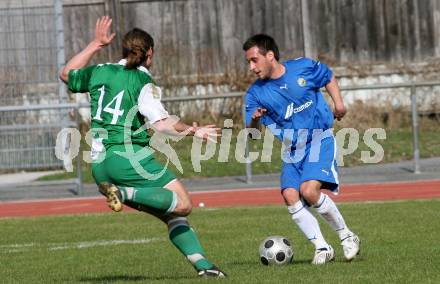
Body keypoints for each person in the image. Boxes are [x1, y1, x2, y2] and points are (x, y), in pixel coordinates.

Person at [59, 16, 225, 278]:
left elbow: (66, 74)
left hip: (100, 166)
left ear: (123, 51)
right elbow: (161, 124)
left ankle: (205, 268)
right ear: (150, 53)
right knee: (183, 203)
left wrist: (95, 44)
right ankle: (124, 193)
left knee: (172, 214)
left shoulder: (101, 71)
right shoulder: (141, 81)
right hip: (127, 158)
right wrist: (195, 130)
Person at [243, 34, 360, 264]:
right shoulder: (255, 94)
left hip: (319, 139)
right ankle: (322, 247)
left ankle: (347, 236)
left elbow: (328, 76)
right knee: (290, 195)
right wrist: (255, 120)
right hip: (293, 149)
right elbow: (252, 134)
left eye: (254, 60)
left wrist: (339, 103)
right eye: (248, 61)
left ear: (270, 55)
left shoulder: (303, 68)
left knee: (309, 191)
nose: (251, 67)